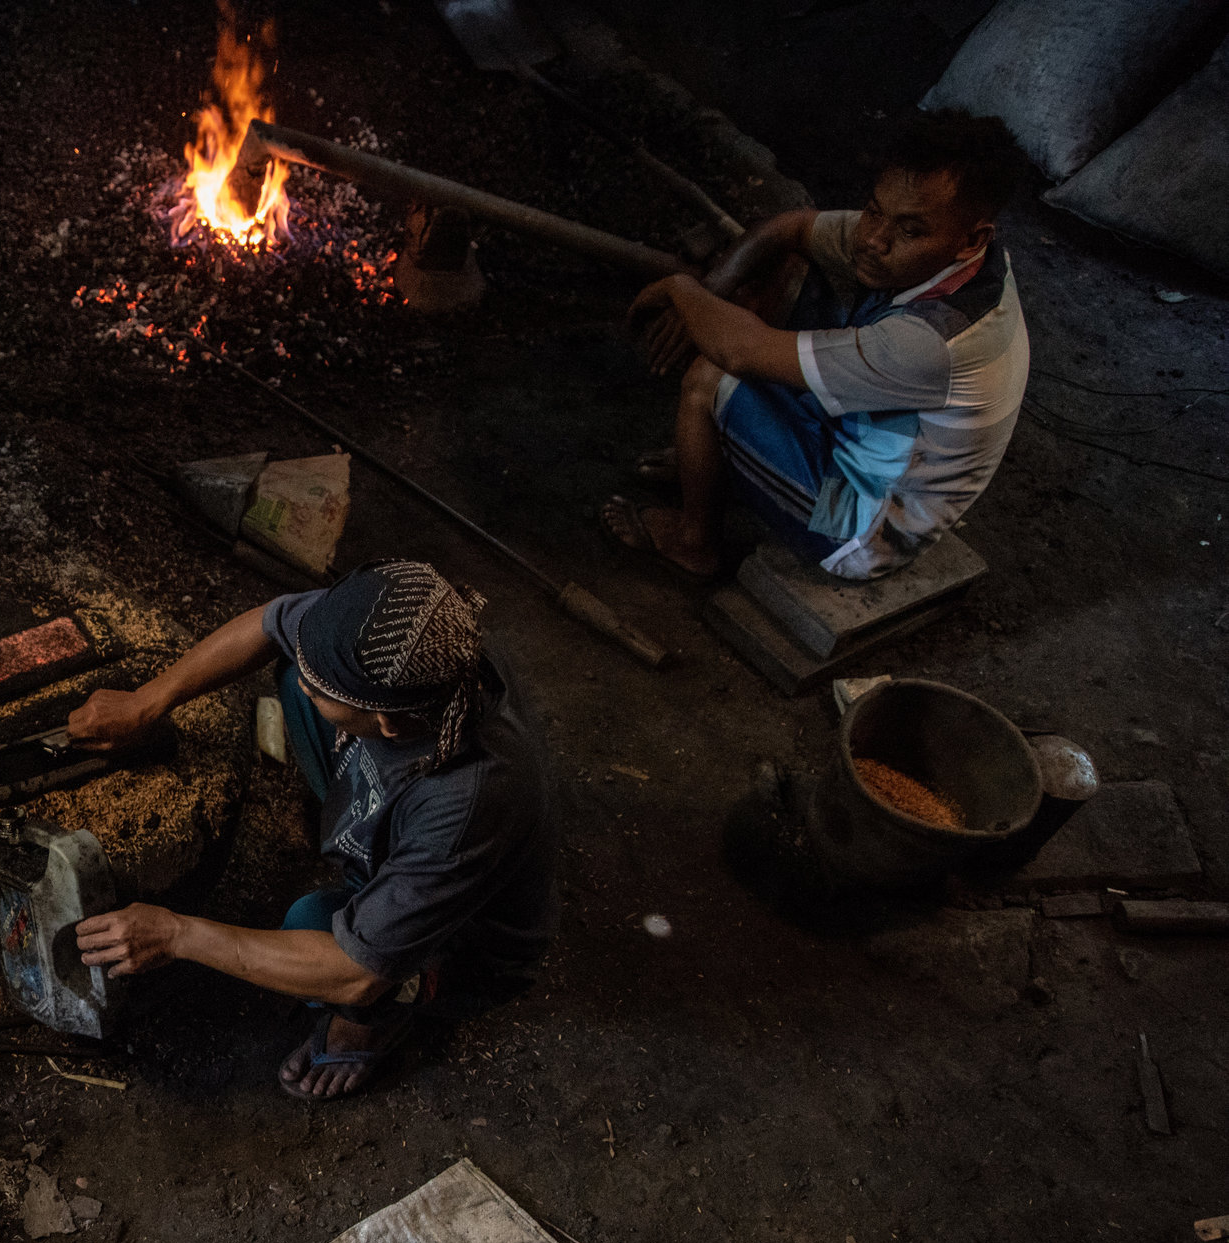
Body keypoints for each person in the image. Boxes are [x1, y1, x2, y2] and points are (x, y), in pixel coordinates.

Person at [65, 561, 557, 1101]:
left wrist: (179, 935)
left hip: (467, 945)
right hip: (408, 817)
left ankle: (375, 1023)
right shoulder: (398, 636)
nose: (305, 680)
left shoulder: (467, 801)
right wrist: (147, 702)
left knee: (314, 926)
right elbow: (270, 624)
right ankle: (358, 830)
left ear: (389, 723)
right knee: (297, 689)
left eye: (332, 692)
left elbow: (356, 971)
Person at [605, 109, 1032, 582]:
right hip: (868, 433)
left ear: (973, 238)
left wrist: (683, 291)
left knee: (710, 378)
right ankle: (716, 454)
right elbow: (792, 228)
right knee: (782, 270)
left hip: (862, 521)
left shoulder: (931, 343)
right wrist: (714, 287)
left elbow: (739, 353)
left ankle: (692, 543)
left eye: (909, 230)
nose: (873, 238)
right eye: (873, 210)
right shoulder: (964, 258)